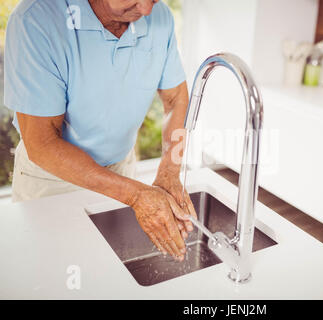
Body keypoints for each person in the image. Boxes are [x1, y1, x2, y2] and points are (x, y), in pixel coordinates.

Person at [4, 0, 196, 261]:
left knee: (110, 270)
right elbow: (43, 144)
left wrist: (170, 171)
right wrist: (136, 195)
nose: (148, 10)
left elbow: (176, 100)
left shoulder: (159, 17)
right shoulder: (36, 20)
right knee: (52, 273)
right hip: (52, 181)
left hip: (122, 170)